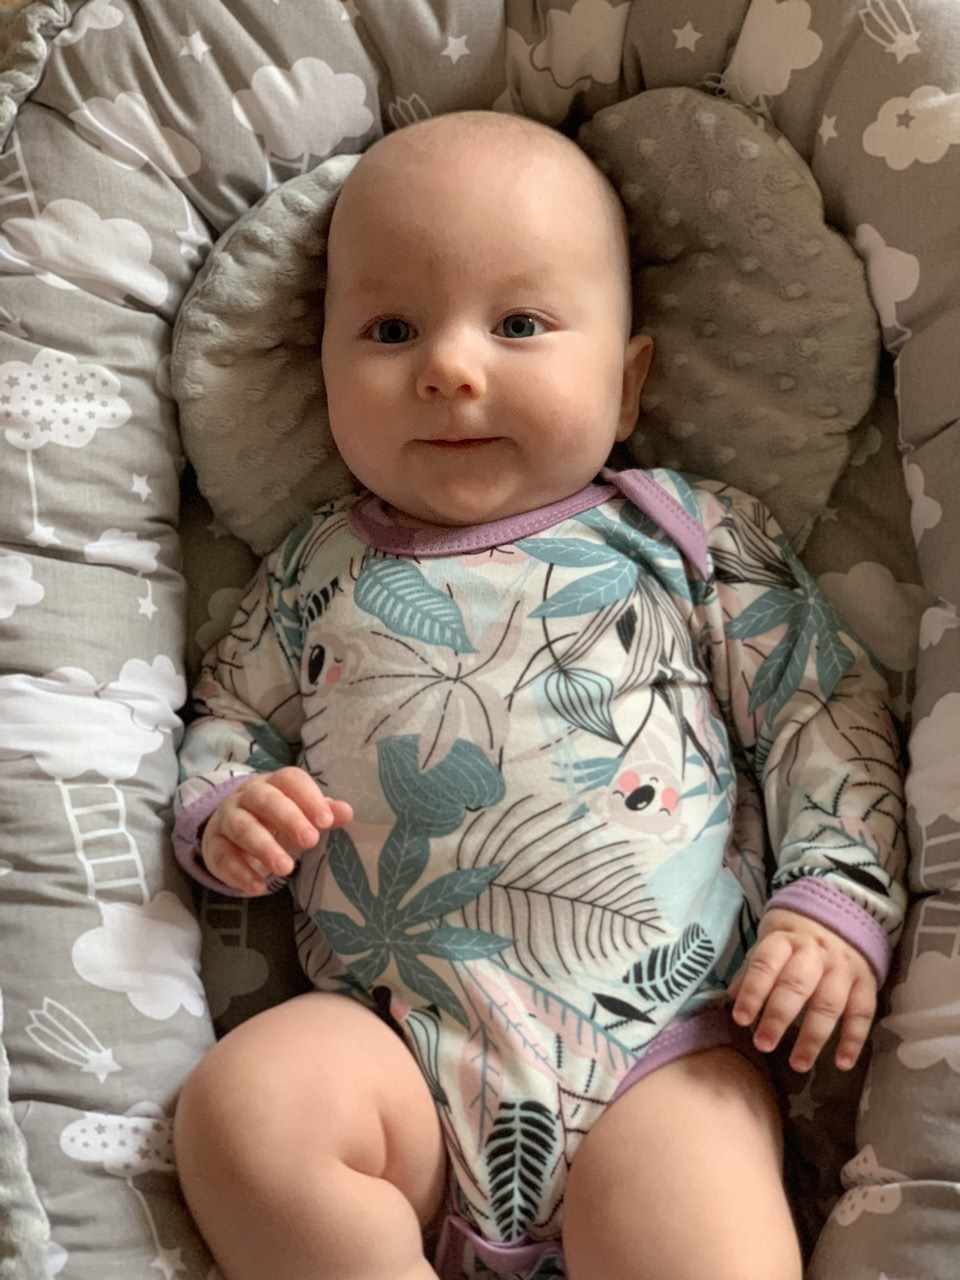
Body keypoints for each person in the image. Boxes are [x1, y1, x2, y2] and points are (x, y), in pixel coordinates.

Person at [172, 110, 907, 1280]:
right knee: (243, 1108)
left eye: (518, 324)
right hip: (400, 1055)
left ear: (627, 383)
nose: (449, 367)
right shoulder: (315, 570)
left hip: (660, 1052)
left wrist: (832, 895)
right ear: (322, 374)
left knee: (701, 1233)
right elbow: (229, 719)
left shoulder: (684, 533)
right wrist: (229, 808)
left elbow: (818, 708)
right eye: (391, 329)